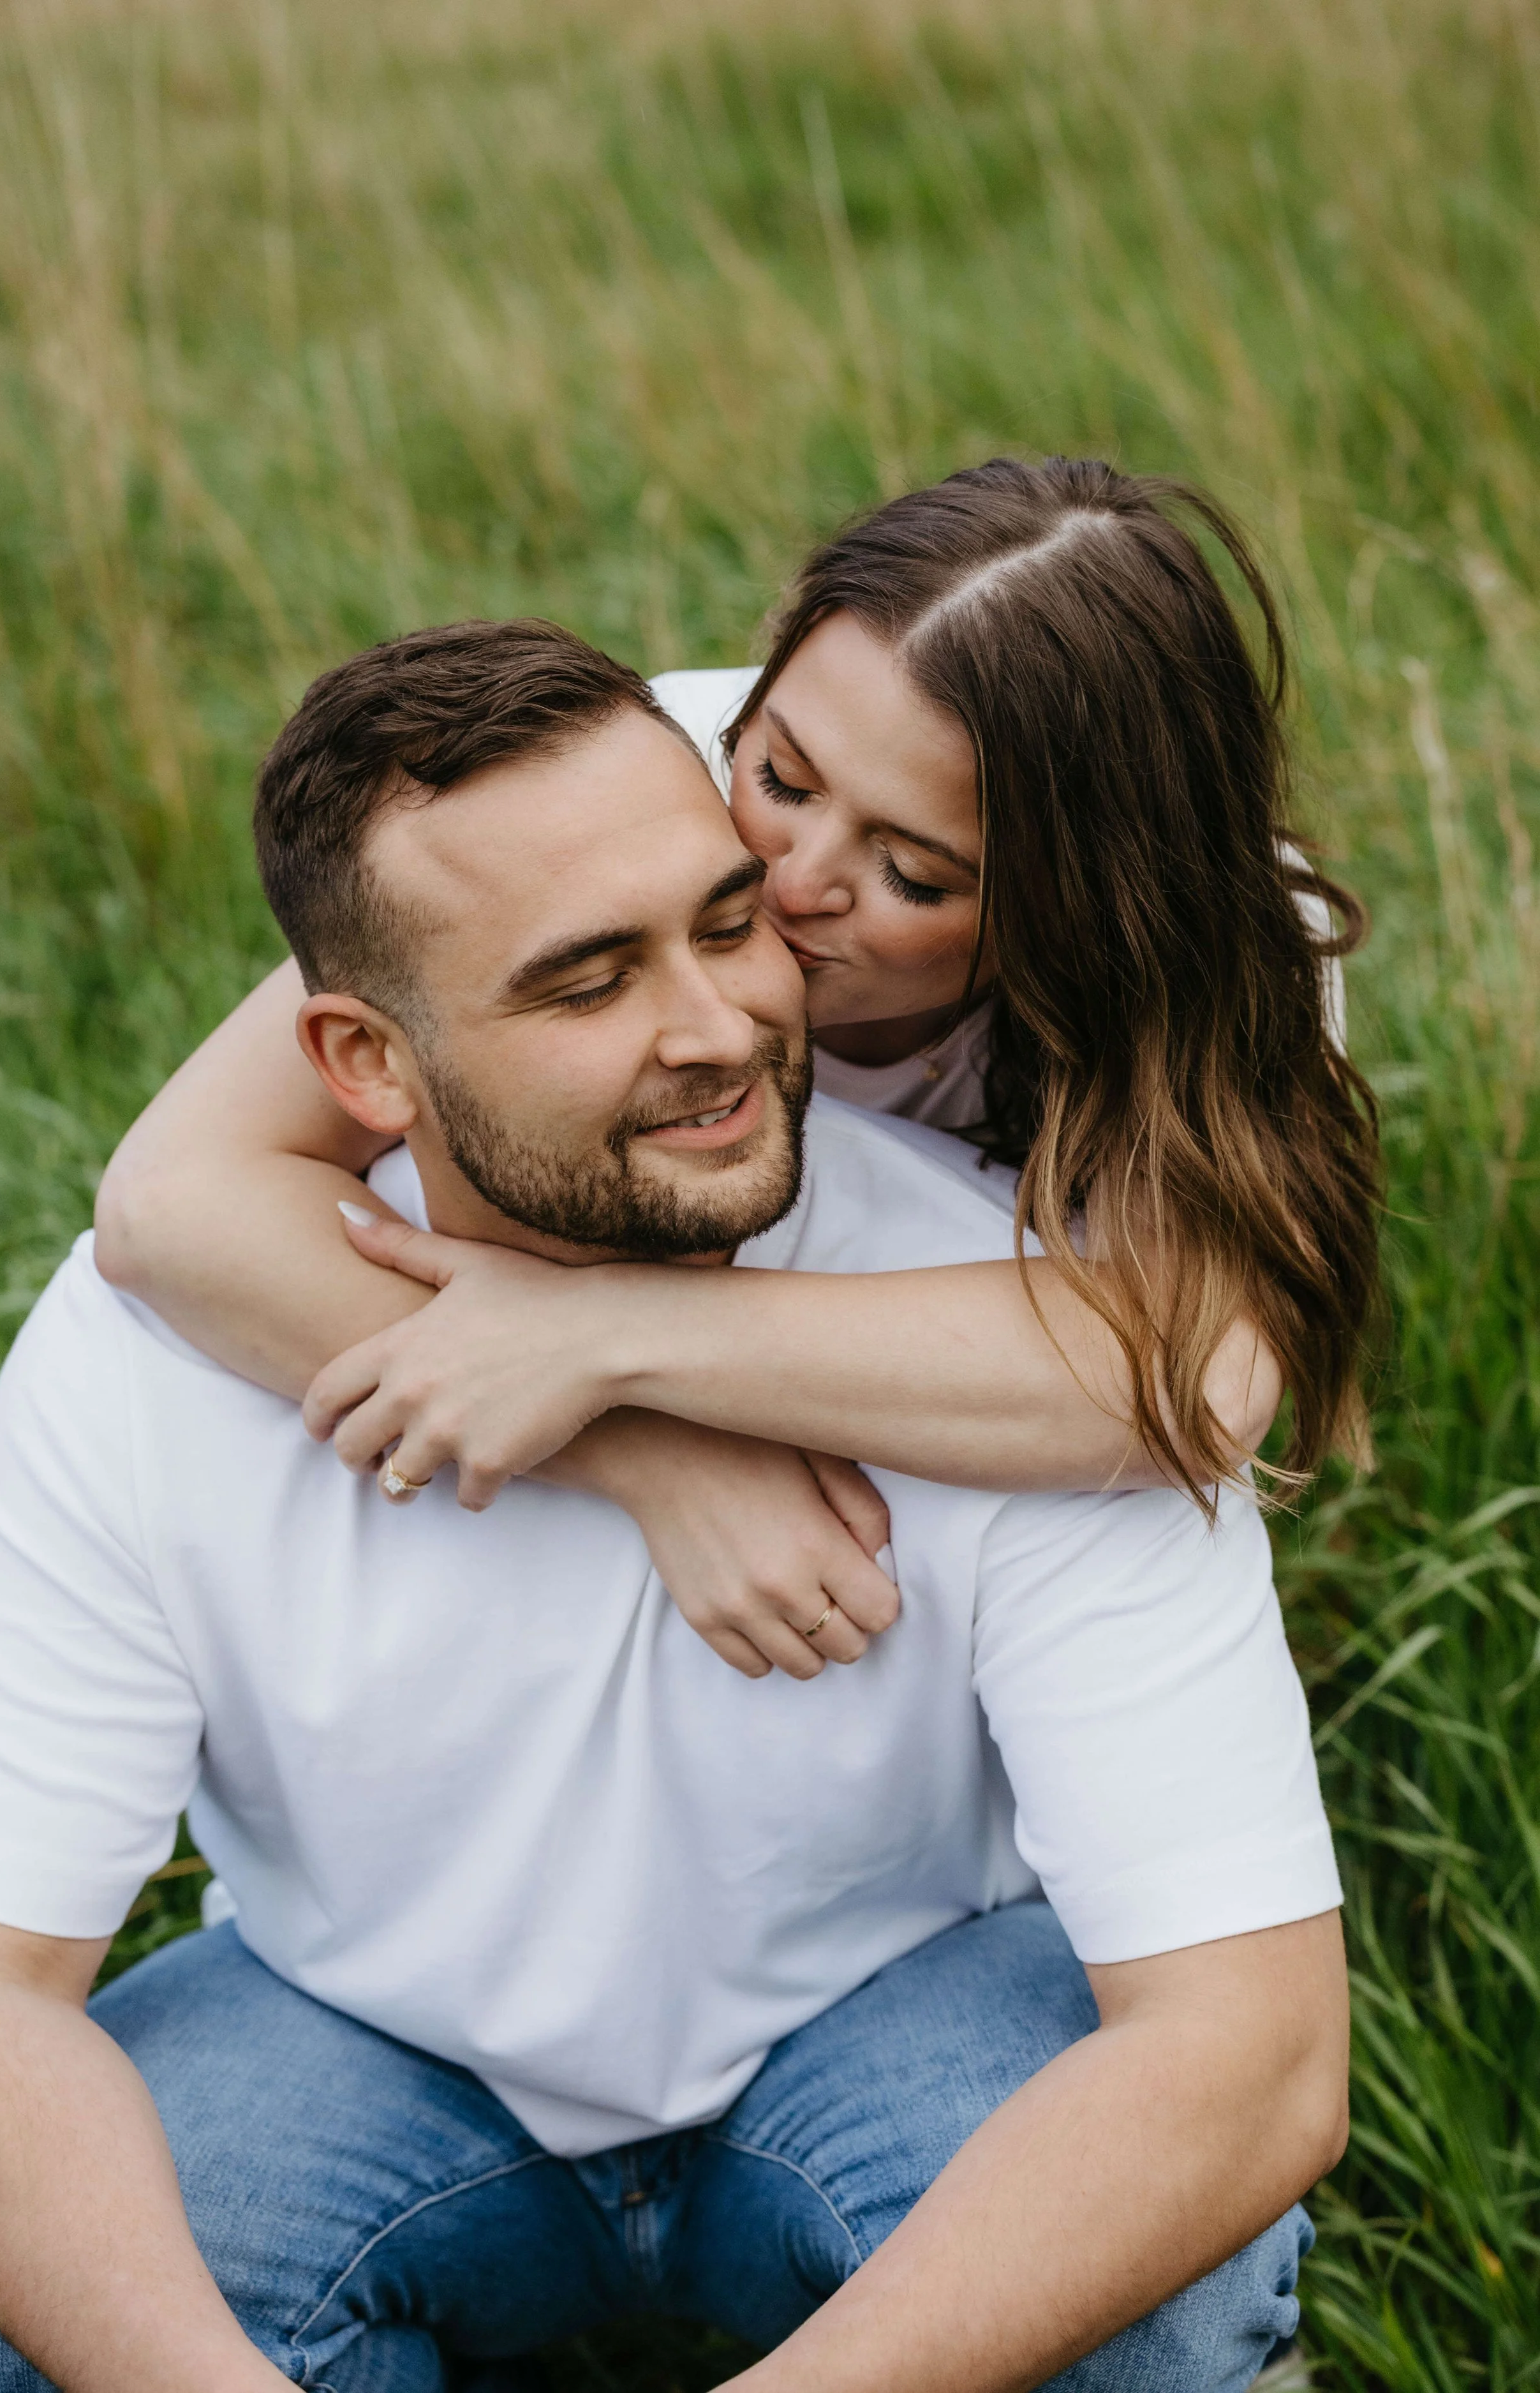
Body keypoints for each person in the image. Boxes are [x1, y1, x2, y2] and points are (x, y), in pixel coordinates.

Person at [0, 618, 1347, 2392]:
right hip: (356, 2032)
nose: (721, 1030)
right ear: (361, 1064)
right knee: (30, 2311)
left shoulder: (1016, 1338)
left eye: (724, 920)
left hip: (896, 2011)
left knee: (1159, 2310)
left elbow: (1251, 2059)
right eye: (585, 979)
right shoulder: (158, 1347)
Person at [93, 458, 1381, 1682]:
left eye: (913, 874)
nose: (788, 880)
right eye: (779, 776)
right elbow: (174, 1203)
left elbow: (1197, 1381)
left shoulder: (1225, 951)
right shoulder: (640, 777)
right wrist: (656, 1456)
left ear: (1087, 909)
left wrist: (608, 1338)